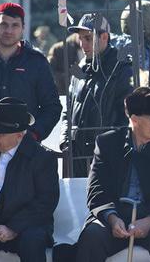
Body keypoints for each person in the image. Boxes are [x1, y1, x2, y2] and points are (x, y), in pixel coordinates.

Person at [76, 87, 150, 262]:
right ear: (134, 119)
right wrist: (111, 218)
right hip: (115, 216)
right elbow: (97, 188)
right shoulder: (108, 143)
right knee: (93, 234)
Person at [0, 97, 59, 262]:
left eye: (0, 133)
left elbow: (46, 201)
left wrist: (13, 227)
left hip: (27, 225)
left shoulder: (42, 158)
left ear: (20, 135)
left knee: (32, 242)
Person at [0, 2, 62, 141]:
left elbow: (52, 107)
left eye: (15, 25)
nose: (9, 31)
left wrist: (32, 135)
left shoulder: (36, 62)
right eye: (4, 24)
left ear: (23, 28)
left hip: (25, 152)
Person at [60, 13, 133, 177]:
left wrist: (111, 147)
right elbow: (68, 111)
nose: (82, 44)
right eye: (80, 38)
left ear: (104, 37)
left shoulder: (122, 69)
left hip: (106, 158)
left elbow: (128, 117)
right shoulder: (79, 68)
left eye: (88, 38)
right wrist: (65, 141)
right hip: (76, 157)